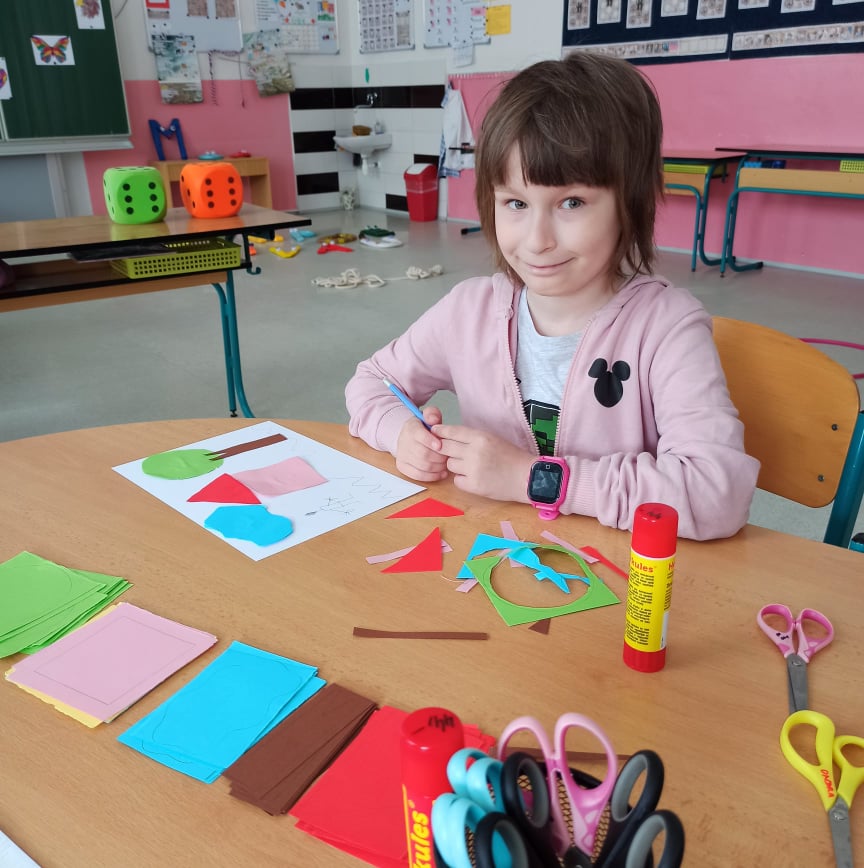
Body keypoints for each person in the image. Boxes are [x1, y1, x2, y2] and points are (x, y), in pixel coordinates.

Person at [345, 51, 759, 540]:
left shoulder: (666, 328)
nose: (537, 240)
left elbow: (716, 493)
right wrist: (401, 434)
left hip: (618, 573)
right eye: (515, 203)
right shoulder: (469, 312)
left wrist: (532, 479)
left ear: (633, 201)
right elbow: (372, 382)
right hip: (492, 557)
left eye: (571, 202)